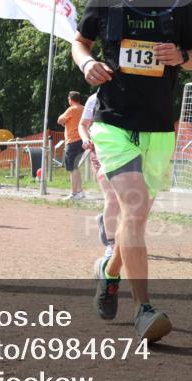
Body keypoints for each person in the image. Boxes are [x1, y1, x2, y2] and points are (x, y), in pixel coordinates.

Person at [71, 0, 192, 342]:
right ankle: (144, 309)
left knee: (137, 216)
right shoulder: (105, 1)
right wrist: (86, 63)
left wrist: (179, 55)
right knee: (134, 207)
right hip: (113, 122)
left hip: (160, 126)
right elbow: (79, 42)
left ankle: (109, 272)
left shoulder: (179, 4)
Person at [79, 92, 118, 261]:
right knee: (112, 196)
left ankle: (106, 222)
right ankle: (112, 245)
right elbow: (82, 125)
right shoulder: (94, 99)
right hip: (100, 151)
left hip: (126, 151)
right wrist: (86, 139)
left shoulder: (131, 92)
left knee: (128, 198)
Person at [57, 91, 86, 200]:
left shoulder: (71, 109)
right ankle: (80, 191)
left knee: (72, 168)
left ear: (70, 99)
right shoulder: (83, 108)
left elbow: (60, 120)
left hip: (72, 141)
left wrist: (63, 119)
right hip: (82, 140)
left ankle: (74, 193)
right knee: (76, 167)